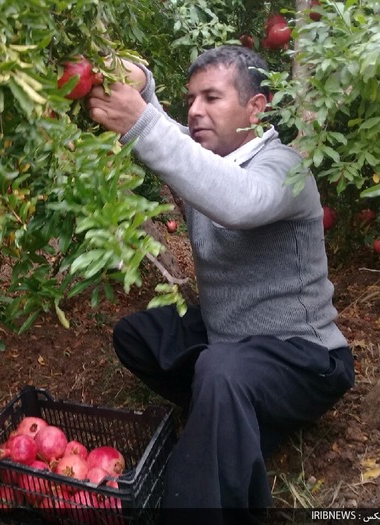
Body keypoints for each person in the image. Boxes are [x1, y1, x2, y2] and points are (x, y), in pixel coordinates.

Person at [86, 45, 355, 514]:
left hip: (304, 358)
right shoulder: (212, 159)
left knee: (221, 370)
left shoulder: (286, 168)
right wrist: (139, 81)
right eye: (191, 99)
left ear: (257, 107)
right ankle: (233, 420)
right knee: (138, 335)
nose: (194, 111)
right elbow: (179, 146)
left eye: (211, 98)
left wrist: (141, 122)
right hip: (228, 337)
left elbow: (240, 202)